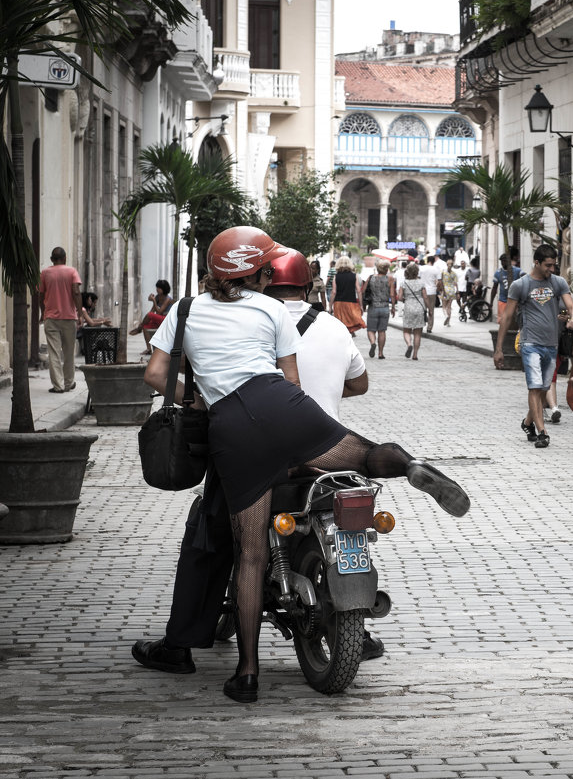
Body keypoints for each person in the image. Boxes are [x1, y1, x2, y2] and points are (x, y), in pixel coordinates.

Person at [136, 227, 469, 704]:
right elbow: (290, 378)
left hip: (233, 428)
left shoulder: (184, 309)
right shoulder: (272, 309)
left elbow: (154, 374)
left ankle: (247, 675)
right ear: (257, 271)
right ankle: (411, 464)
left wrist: (202, 396)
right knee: (361, 454)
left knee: (250, 556)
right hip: (285, 407)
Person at [494, 244, 573, 449]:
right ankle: (542, 432)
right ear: (537, 262)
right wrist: (498, 349)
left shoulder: (558, 282)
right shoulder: (521, 285)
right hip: (530, 343)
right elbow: (507, 318)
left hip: (551, 344)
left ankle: (527, 423)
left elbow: (571, 306)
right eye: (548, 265)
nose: (552, 269)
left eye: (554, 265)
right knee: (534, 387)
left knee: (543, 389)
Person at [38, 246, 82, 393]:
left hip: (51, 318)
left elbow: (40, 295)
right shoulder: (72, 271)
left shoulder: (44, 273)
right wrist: (80, 314)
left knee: (54, 352)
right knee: (69, 352)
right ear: (65, 258)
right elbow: (76, 292)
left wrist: (42, 312)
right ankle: (69, 383)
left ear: (52, 259)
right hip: (69, 318)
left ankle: (58, 385)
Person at [130, 280, 175, 356]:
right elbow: (152, 311)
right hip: (160, 319)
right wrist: (148, 319)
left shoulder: (168, 299)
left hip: (166, 320)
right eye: (157, 287)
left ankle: (138, 328)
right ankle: (148, 349)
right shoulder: (157, 297)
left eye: (159, 288)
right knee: (146, 326)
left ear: (164, 289)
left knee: (150, 316)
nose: (157, 289)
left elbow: (160, 311)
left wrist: (153, 301)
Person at [363, 259, 396, 358]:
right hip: (385, 307)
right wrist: (393, 307)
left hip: (373, 307)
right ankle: (380, 353)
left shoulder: (371, 278)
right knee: (382, 331)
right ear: (386, 269)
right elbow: (392, 294)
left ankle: (373, 343)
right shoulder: (390, 279)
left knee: (371, 330)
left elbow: (363, 290)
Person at [398, 261, 428, 360]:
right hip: (419, 307)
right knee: (417, 333)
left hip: (408, 307)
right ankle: (415, 355)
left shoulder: (404, 283)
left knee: (406, 330)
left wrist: (405, 298)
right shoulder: (421, 282)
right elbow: (425, 297)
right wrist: (428, 309)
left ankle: (409, 344)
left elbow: (399, 297)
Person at [329, 256, 363, 334]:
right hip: (351, 303)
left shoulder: (336, 277)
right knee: (350, 324)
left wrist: (330, 305)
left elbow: (334, 292)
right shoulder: (355, 276)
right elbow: (359, 291)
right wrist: (361, 305)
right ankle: (349, 338)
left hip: (339, 303)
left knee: (340, 325)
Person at [489, 253, 523, 323]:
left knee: (515, 321)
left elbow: (525, 279)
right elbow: (494, 288)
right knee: (502, 321)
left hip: (515, 300)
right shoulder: (498, 273)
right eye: (502, 261)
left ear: (509, 261)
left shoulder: (517, 271)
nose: (503, 263)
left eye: (505, 261)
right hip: (503, 300)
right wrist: (491, 302)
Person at [419, 255, 441, 332]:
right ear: (434, 261)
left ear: (427, 261)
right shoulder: (436, 269)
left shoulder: (421, 268)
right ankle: (429, 328)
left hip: (422, 291)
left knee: (422, 309)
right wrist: (439, 289)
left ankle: (421, 326)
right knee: (431, 310)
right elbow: (439, 281)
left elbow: (418, 278)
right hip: (432, 291)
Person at [441, 258, 458, 327]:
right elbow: (455, 283)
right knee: (449, 307)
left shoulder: (443, 272)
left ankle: (446, 316)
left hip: (445, 290)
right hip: (452, 290)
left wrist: (443, 291)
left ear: (446, 264)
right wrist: (458, 291)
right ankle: (448, 323)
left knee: (444, 306)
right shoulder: (454, 273)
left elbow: (441, 282)